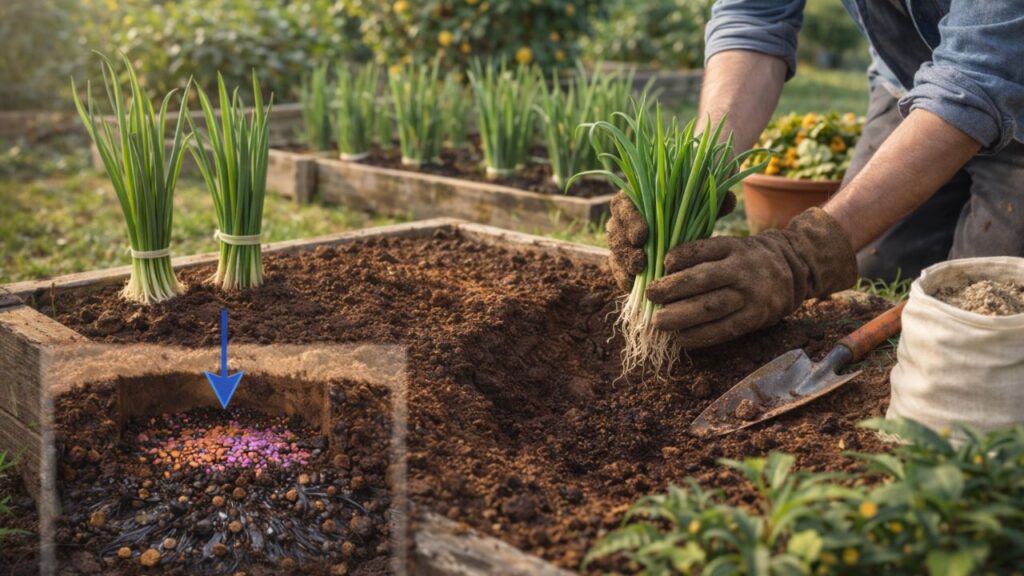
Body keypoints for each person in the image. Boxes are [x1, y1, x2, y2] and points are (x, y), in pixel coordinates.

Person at [607, 0, 1024, 348]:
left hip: (1002, 77)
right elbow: (753, 17)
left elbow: (981, 72)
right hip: (913, 78)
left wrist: (801, 257)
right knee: (873, 267)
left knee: (983, 312)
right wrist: (697, 173)